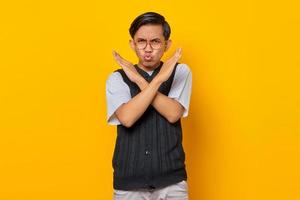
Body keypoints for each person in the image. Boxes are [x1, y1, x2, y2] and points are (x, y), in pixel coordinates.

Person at [105, 11, 192, 200]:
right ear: (132, 44)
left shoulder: (180, 72)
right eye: (141, 41)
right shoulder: (117, 77)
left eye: (155, 41)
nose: (148, 48)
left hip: (172, 182)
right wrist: (157, 81)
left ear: (167, 44)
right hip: (129, 183)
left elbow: (173, 113)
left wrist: (142, 80)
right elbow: (127, 118)